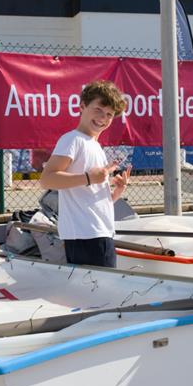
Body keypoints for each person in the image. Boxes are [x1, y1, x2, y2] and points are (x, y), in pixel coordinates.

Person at [38, 80, 130, 268]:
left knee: (96, 292)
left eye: (109, 115)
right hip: (87, 235)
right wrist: (88, 178)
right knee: (99, 293)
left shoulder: (93, 144)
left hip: (96, 233)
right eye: (98, 110)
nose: (103, 118)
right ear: (82, 106)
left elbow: (88, 197)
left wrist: (116, 192)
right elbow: (47, 179)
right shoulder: (73, 140)